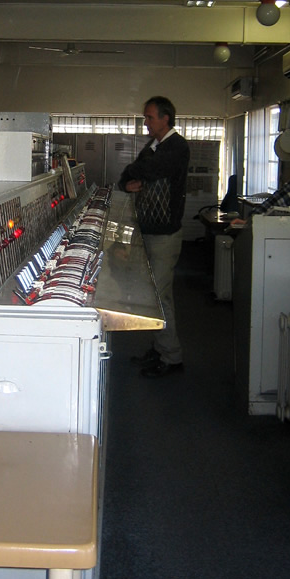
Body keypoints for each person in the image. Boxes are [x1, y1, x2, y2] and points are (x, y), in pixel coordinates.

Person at [118, 96, 190, 378]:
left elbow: (150, 169)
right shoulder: (154, 146)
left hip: (164, 235)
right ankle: (161, 348)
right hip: (149, 230)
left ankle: (172, 357)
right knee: (156, 295)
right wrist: (127, 182)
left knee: (159, 298)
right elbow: (130, 172)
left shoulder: (176, 147)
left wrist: (133, 173)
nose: (145, 123)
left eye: (149, 117)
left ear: (165, 119)